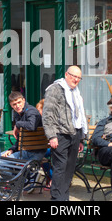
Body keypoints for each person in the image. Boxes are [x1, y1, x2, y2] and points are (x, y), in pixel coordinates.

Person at [42, 65, 88, 201]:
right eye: (74, 76)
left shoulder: (76, 92)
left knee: (69, 169)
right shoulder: (55, 89)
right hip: (60, 135)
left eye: (79, 78)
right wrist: (52, 136)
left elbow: (79, 115)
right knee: (60, 168)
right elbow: (48, 114)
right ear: (67, 75)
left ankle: (64, 198)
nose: (76, 80)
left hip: (75, 134)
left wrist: (81, 139)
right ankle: (56, 199)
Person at [1, 91, 43, 161]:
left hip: (35, 152)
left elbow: (31, 126)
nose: (17, 106)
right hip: (24, 150)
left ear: (24, 100)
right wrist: (12, 150)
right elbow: (20, 137)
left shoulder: (31, 111)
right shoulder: (18, 114)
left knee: (1, 161)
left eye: (19, 102)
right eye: (14, 104)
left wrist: (17, 124)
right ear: (11, 105)